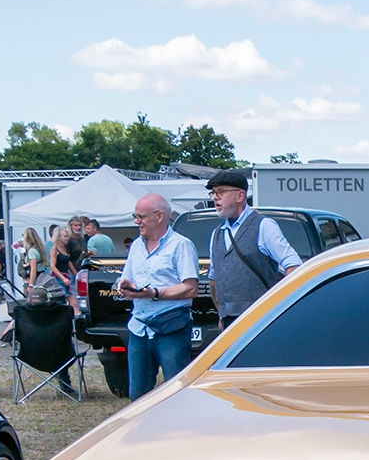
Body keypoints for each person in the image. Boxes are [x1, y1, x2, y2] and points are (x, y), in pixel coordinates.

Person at [117, 192, 198, 400]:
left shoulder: (182, 245)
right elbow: (128, 278)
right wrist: (125, 286)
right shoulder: (135, 246)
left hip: (171, 327)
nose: (136, 221)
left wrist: (154, 294)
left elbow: (190, 288)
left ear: (159, 216)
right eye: (135, 216)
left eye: (141, 217)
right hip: (139, 328)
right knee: (137, 396)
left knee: (175, 393)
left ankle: (176, 431)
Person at [205, 168, 300, 329]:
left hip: (261, 321)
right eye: (213, 193)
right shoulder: (217, 233)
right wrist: (221, 314)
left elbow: (294, 266)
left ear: (240, 195)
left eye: (221, 192)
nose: (215, 197)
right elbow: (214, 280)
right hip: (228, 322)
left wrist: (280, 309)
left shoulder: (264, 226)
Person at [17, 227, 48, 300]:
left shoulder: (32, 251)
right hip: (39, 279)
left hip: (33, 282)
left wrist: (30, 285)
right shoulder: (38, 249)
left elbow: (33, 269)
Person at [48, 227, 76, 297]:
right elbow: (52, 266)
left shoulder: (64, 248)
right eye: (65, 236)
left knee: (73, 300)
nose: (67, 238)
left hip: (67, 276)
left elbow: (68, 262)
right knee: (64, 298)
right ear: (58, 238)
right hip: (58, 278)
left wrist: (76, 274)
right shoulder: (54, 249)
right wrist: (63, 278)